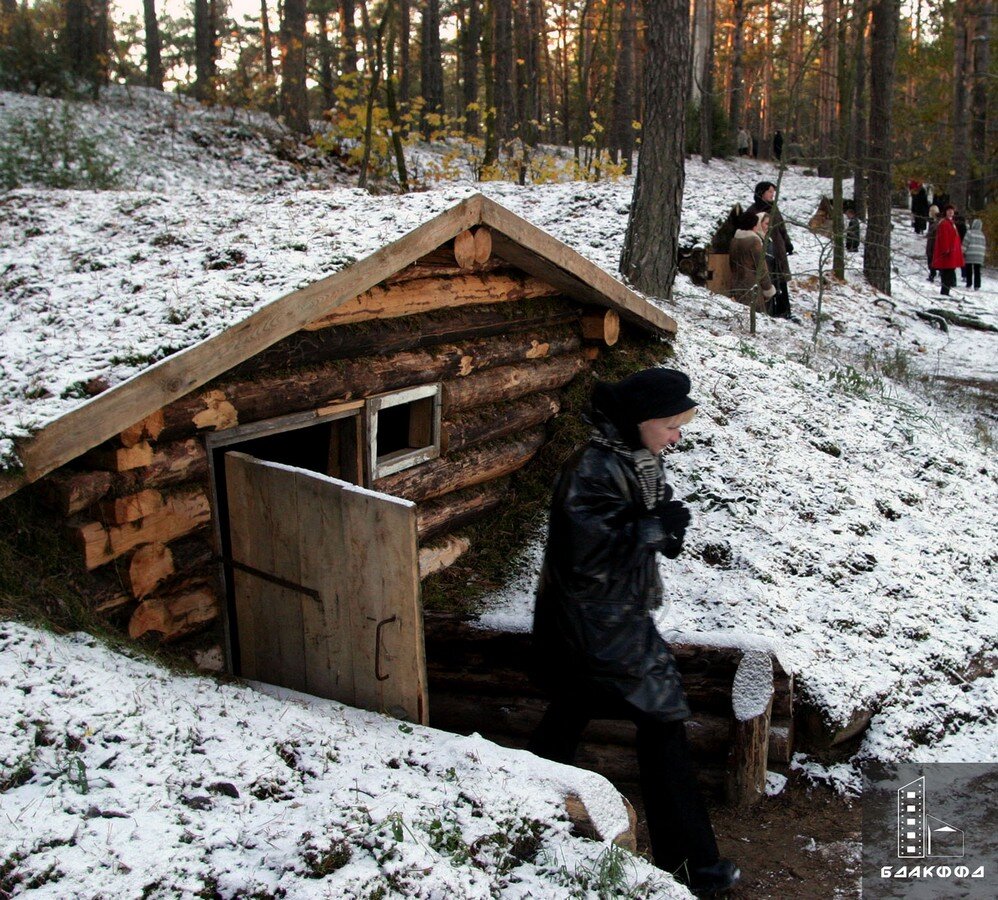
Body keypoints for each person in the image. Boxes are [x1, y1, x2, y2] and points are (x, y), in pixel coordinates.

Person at [529, 368, 740, 898]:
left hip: (613, 618)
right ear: (641, 421)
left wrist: (666, 530)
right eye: (670, 424)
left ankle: (519, 809)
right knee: (663, 720)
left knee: (567, 719)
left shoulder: (639, 462)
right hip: (595, 623)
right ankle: (696, 868)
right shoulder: (593, 467)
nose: (677, 436)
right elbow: (585, 551)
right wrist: (652, 527)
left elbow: (636, 533)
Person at [746, 181, 795, 319]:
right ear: (761, 193)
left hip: (778, 247)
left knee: (780, 279)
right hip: (763, 248)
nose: (772, 195)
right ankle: (769, 311)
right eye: (769, 192)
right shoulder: (753, 210)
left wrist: (787, 244)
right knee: (767, 277)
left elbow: (781, 227)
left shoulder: (774, 208)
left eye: (773, 192)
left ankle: (784, 311)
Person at [729, 210, 778, 313]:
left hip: (736, 285)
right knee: (756, 317)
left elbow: (732, 265)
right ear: (754, 226)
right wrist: (768, 289)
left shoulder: (734, 240)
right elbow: (761, 268)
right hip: (752, 286)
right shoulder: (754, 241)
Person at [931, 205, 965, 297]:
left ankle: (946, 291)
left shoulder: (950, 222)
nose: (951, 212)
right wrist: (946, 249)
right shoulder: (944, 223)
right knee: (947, 273)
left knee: (949, 272)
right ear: (945, 212)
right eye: (949, 210)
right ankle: (945, 291)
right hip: (948, 253)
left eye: (952, 211)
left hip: (952, 252)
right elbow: (944, 237)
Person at [962, 219, 986, 290]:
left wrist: (963, 251)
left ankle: (969, 284)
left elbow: (965, 243)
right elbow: (984, 245)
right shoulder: (982, 235)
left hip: (970, 253)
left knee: (969, 269)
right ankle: (977, 285)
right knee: (977, 270)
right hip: (979, 255)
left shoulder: (969, 233)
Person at [925, 205, 940, 282]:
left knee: (932, 260)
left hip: (934, 244)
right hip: (931, 243)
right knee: (931, 259)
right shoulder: (932, 221)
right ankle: (932, 274)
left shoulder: (936, 222)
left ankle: (933, 274)